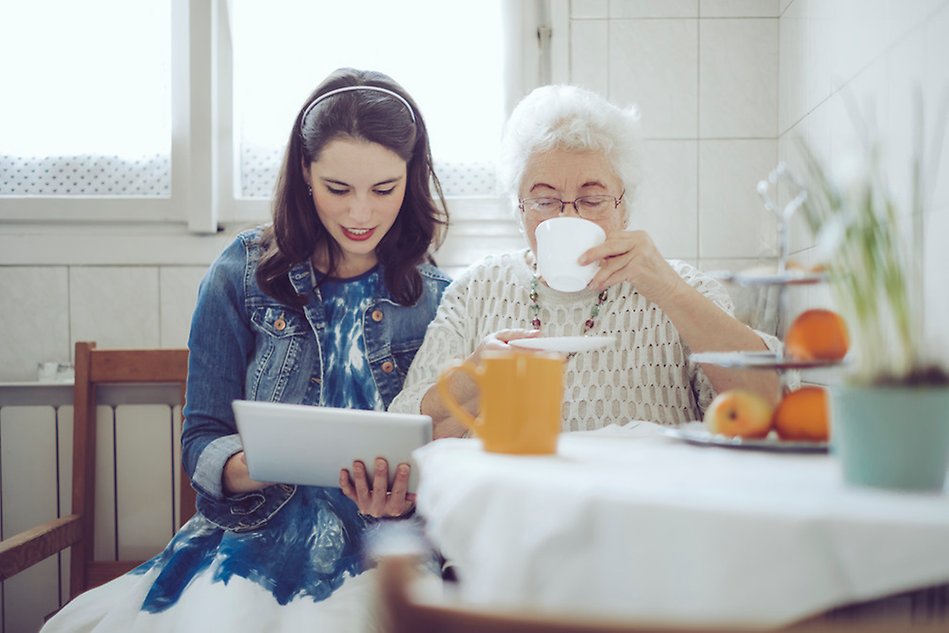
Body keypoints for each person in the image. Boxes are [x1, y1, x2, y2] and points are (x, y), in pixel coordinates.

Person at [42, 68, 450, 632]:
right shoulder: (242, 272)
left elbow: (446, 464)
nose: (361, 214)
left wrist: (403, 498)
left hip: (385, 551)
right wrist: (248, 464)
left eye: (384, 189)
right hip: (252, 543)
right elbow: (201, 440)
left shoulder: (439, 298)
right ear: (305, 173)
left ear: (411, 176)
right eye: (338, 189)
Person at [389, 84, 780, 436]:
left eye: (592, 200)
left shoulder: (680, 286)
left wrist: (669, 290)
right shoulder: (477, 290)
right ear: (519, 208)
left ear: (624, 206)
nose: (569, 217)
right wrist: (475, 377)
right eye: (544, 201)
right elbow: (409, 434)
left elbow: (769, 404)